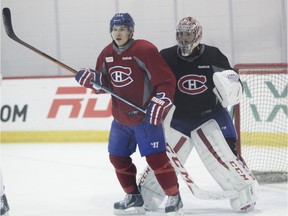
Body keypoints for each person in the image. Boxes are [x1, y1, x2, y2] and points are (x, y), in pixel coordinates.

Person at [75, 13, 183, 215]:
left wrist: (159, 101)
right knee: (117, 157)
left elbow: (166, 81)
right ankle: (133, 196)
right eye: (115, 29)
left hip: (145, 118)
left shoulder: (144, 50)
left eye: (123, 29)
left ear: (131, 31)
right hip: (120, 119)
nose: (118, 33)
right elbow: (104, 84)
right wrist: (91, 79)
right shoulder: (106, 53)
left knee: (156, 159)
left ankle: (174, 197)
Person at [157, 16, 258, 211]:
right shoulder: (167, 56)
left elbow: (233, 81)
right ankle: (153, 193)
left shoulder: (213, 55)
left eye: (188, 34)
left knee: (229, 153)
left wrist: (232, 86)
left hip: (211, 114)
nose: (184, 38)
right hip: (180, 118)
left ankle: (245, 192)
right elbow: (153, 80)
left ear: (198, 34)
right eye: (181, 34)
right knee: (163, 159)